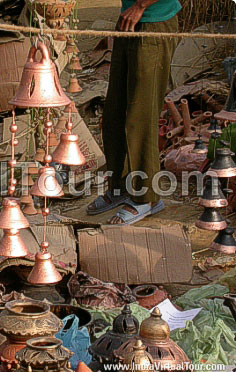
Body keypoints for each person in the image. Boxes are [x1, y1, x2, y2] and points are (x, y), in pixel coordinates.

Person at [86, 0, 181, 224]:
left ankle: (146, 198)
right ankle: (120, 189)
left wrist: (140, 6)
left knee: (141, 117)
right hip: (129, 20)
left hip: (153, 22)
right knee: (114, 115)